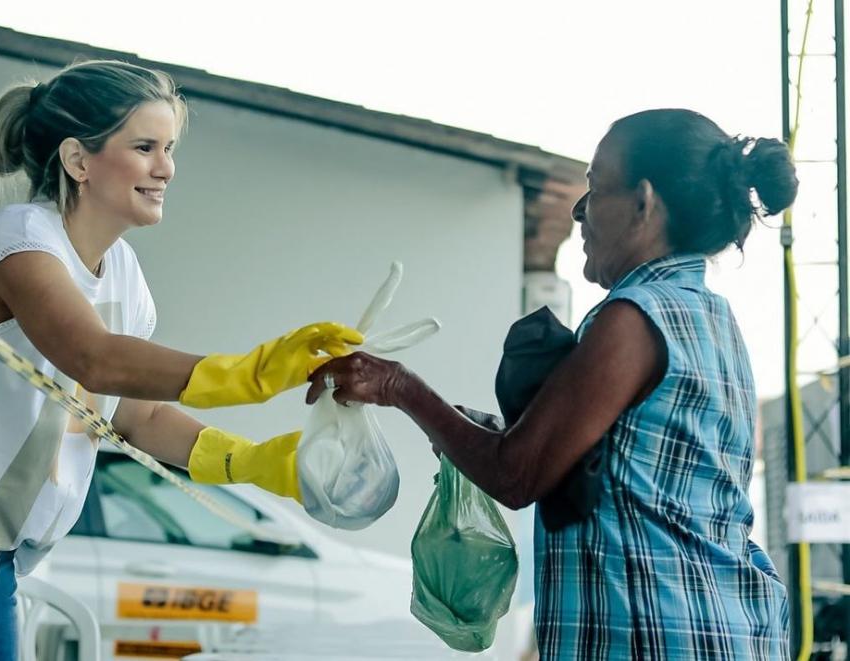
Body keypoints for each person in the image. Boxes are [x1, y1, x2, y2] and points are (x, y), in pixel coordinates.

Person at [0, 60, 360, 660]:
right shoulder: (20, 241)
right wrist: (255, 372)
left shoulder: (124, 277)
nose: (166, 167)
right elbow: (95, 359)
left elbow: (135, 418)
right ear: (78, 161)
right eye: (144, 146)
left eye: (168, 147)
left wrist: (249, 461)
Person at [309, 108, 797, 659]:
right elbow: (626, 472)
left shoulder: (634, 319)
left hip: (653, 635)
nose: (580, 211)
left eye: (595, 189)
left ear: (643, 202)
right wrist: (491, 431)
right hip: (724, 626)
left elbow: (516, 475)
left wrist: (398, 385)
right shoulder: (711, 318)